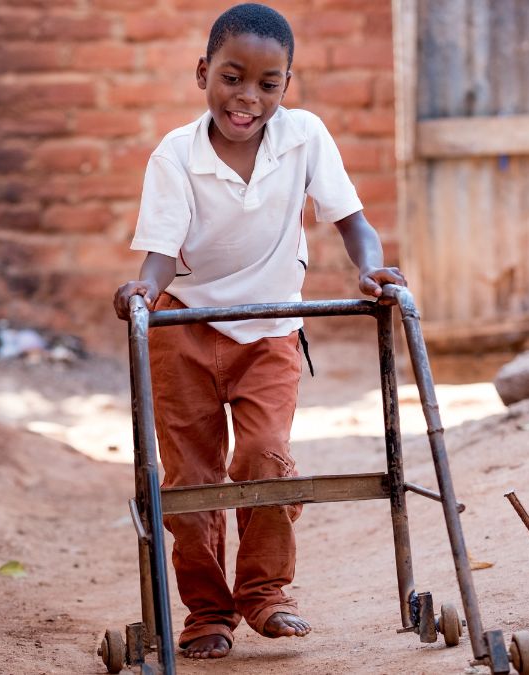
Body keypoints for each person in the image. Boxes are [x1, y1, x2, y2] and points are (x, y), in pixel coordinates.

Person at [111, 3, 406, 661]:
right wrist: (144, 286)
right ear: (202, 74)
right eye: (232, 77)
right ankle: (207, 612)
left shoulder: (304, 138)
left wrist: (370, 268)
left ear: (286, 86)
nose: (247, 98)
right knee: (189, 480)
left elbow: (353, 220)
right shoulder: (175, 156)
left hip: (271, 331)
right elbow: (161, 249)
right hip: (183, 328)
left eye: (267, 84)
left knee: (265, 458)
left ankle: (266, 592)